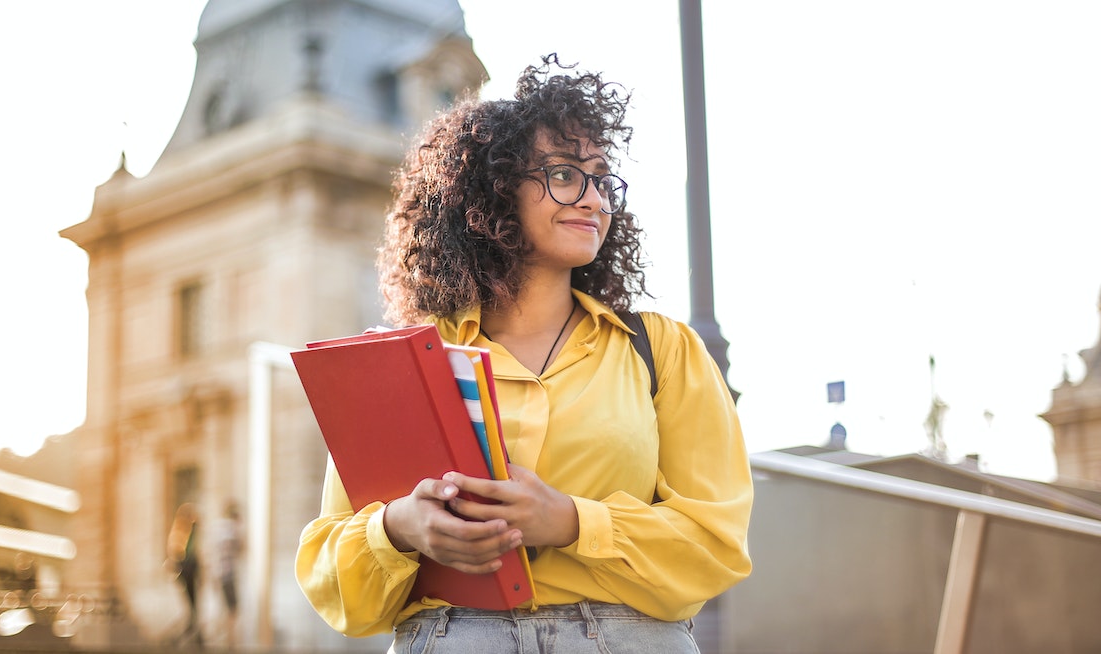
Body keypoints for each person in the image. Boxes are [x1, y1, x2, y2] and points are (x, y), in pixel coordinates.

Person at [296, 54, 753, 653]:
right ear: (494, 191)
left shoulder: (661, 351)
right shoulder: (405, 362)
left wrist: (570, 521)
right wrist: (400, 528)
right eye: (564, 174)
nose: (594, 198)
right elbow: (337, 584)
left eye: (602, 177)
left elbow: (715, 546)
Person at [166, 502, 202, 645]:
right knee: (190, 603)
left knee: (193, 603)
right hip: (185, 569)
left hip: (191, 569)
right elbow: (176, 551)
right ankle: (192, 631)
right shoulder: (180, 531)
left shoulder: (192, 531)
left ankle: (196, 632)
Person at [212, 500, 244, 648]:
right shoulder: (231, 529)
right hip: (228, 574)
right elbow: (241, 547)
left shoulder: (218, 528)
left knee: (224, 607)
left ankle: (223, 639)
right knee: (232, 609)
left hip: (218, 573)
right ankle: (230, 641)